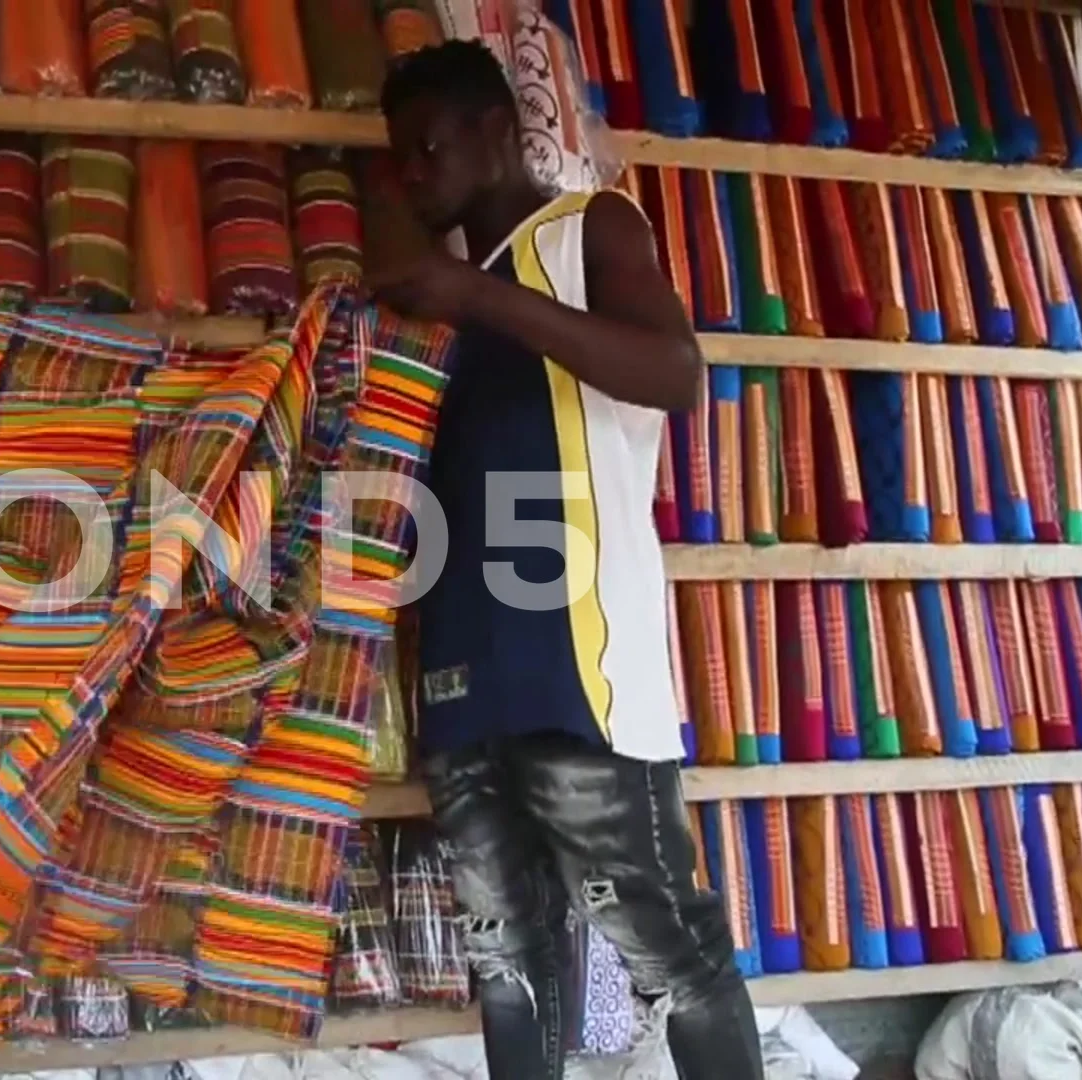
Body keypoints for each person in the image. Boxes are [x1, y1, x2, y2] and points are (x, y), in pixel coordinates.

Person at [371, 40, 765, 1080]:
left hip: (578, 658)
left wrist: (476, 297)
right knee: (508, 960)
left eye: (429, 150)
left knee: (663, 946)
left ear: (500, 132)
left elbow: (677, 373)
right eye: (398, 162)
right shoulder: (433, 304)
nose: (413, 177)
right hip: (463, 660)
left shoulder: (588, 231)